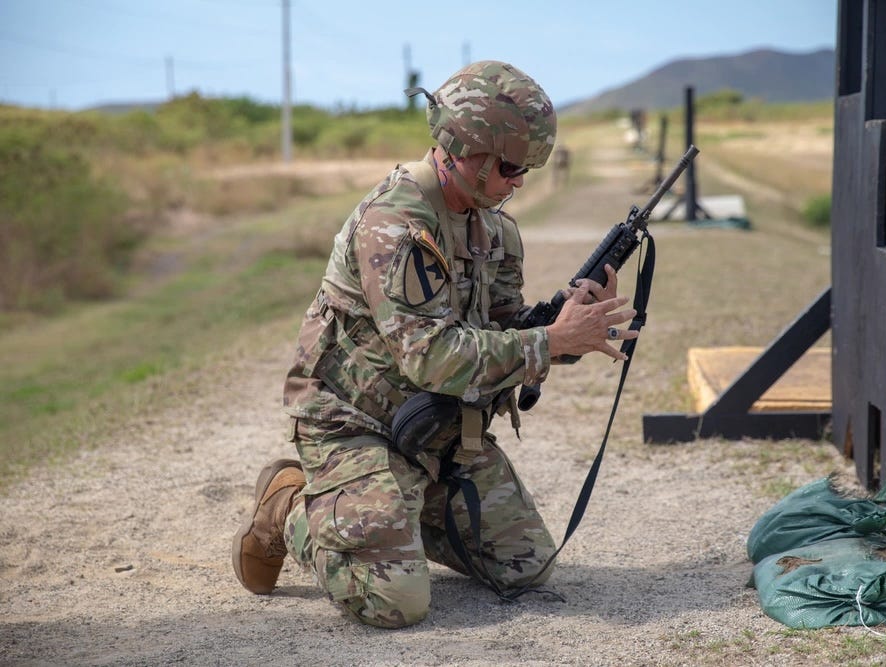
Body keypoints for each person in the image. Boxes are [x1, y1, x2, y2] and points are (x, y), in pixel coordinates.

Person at [231, 60, 638, 628]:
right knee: (396, 601)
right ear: (465, 150)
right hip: (357, 425)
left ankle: (395, 512)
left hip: (436, 430)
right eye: (512, 166)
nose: (519, 181)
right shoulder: (395, 225)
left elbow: (502, 330)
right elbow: (433, 357)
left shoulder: (494, 228)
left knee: (527, 565)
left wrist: (569, 326)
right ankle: (291, 506)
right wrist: (549, 341)